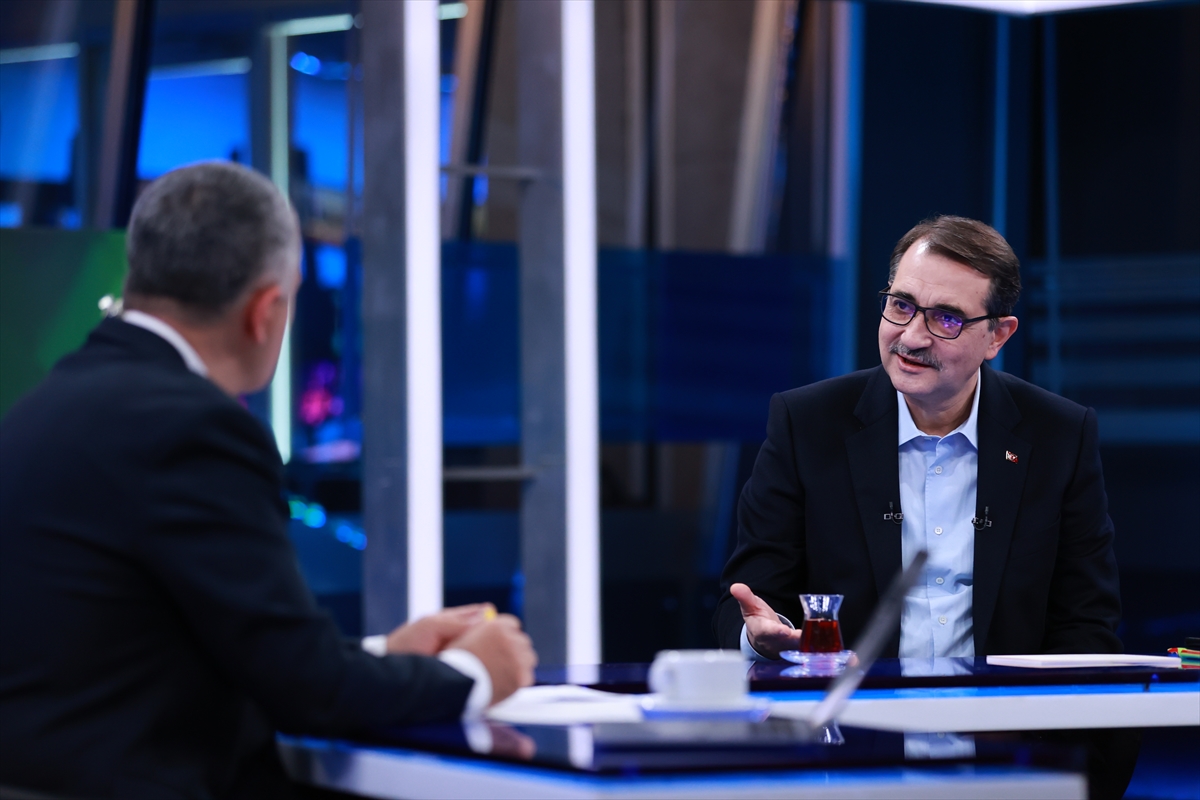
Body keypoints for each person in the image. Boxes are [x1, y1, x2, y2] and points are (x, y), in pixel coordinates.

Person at [0, 162, 537, 798]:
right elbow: (310, 693)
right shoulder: (194, 429)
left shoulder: (40, 410)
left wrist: (380, 656)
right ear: (266, 311)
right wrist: (476, 672)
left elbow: (182, 649)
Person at [714, 215, 1123, 662]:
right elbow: (751, 600)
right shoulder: (808, 424)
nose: (911, 337)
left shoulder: (1058, 435)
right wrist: (763, 635)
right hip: (853, 701)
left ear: (997, 336)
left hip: (1004, 704)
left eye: (946, 319)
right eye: (901, 305)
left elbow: (1086, 621)